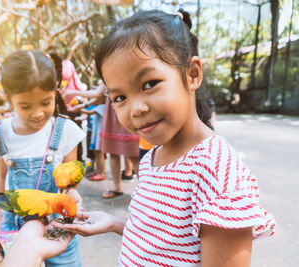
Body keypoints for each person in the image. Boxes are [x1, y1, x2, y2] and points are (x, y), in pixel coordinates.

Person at [52, 10, 275, 266]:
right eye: (119, 98)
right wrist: (114, 223)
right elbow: (167, 242)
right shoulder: (152, 157)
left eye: (149, 84)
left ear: (192, 74)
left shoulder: (216, 171)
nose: (135, 108)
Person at [0, 49, 85, 266]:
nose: (37, 113)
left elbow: (70, 182)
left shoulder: (65, 130)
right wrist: (1, 226)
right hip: (14, 226)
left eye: (46, 102)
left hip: (58, 225)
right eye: (26, 106)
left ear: (55, 92)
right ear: (8, 98)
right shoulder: (0, 133)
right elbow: (2, 180)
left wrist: (72, 192)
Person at [63, 83, 140, 198]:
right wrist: (83, 105)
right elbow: (100, 95)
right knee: (113, 151)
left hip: (124, 110)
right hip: (112, 112)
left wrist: (72, 93)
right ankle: (117, 187)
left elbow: (97, 94)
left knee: (133, 153)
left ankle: (145, 189)